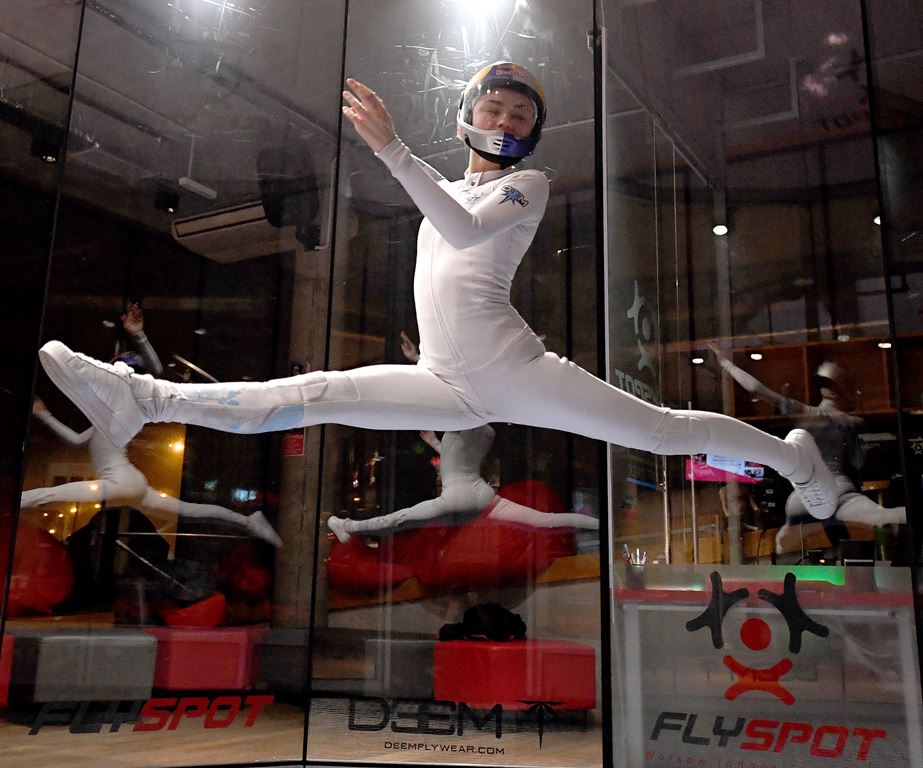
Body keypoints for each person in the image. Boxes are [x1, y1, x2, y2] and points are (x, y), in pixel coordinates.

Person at [36, 62, 838, 521]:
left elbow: (461, 234)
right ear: (467, 116)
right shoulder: (447, 191)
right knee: (312, 393)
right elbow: (446, 251)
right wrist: (430, 348)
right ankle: (143, 398)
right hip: (449, 382)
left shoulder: (530, 183)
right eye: (492, 104)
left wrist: (390, 151)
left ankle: (789, 455)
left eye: (519, 109)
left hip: (516, 368)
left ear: (528, 132)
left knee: (659, 432)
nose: (505, 114)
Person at [24, 306, 282, 548]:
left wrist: (140, 337)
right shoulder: (108, 418)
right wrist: (44, 415)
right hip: (130, 484)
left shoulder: (131, 403)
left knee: (46, 495)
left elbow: (156, 371)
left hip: (123, 482)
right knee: (191, 510)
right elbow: (78, 440)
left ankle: (250, 522)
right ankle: (249, 521)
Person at [708, 344, 905, 553]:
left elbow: (757, 389)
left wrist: (725, 363)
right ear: (844, 389)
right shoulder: (852, 422)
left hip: (801, 498)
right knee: (886, 517)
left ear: (822, 388)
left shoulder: (806, 414)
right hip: (839, 492)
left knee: (784, 544)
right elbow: (858, 461)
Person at [327, 425, 598, 543]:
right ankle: (601, 525)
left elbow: (453, 388)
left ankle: (347, 526)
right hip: (481, 500)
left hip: (458, 501)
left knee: (399, 520)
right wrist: (435, 443)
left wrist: (417, 359)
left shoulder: (466, 426)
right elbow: (458, 460)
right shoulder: (481, 435)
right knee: (547, 521)